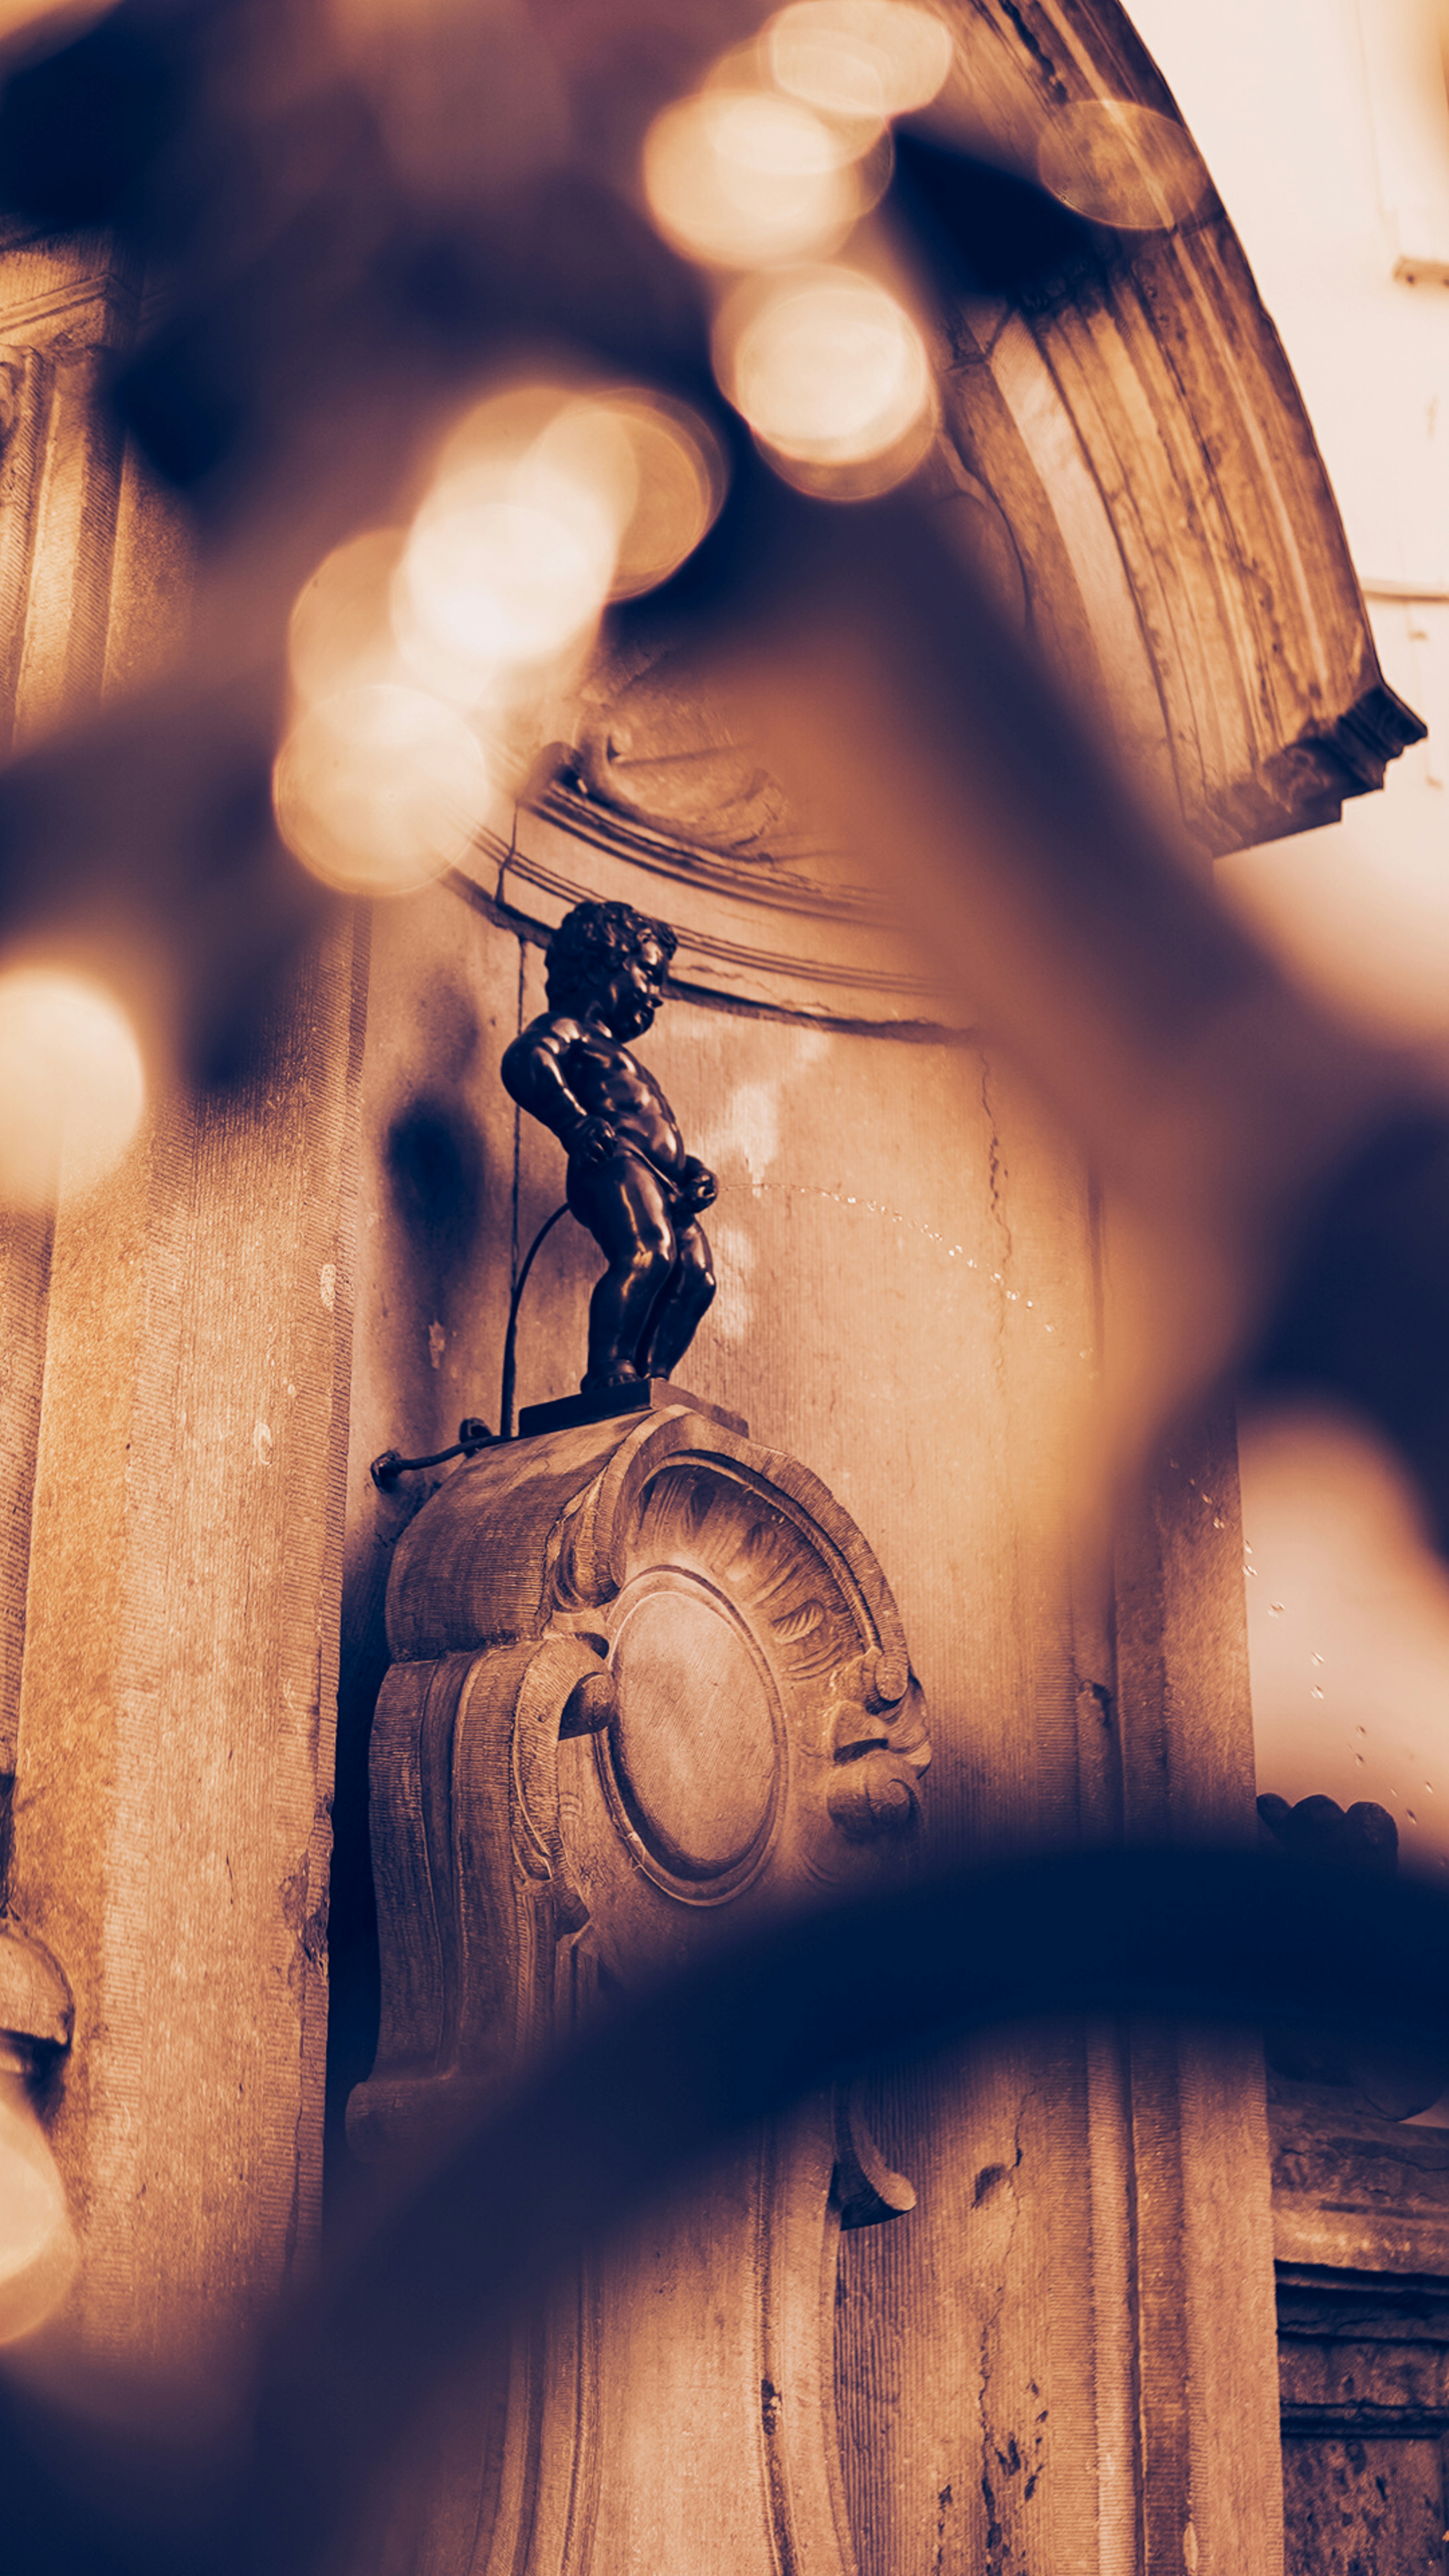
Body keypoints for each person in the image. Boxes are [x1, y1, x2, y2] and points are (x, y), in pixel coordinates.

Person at [501, 900, 717, 1393]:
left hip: (663, 1180)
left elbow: (653, 1126)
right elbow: (526, 1060)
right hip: (611, 1159)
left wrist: (693, 1171)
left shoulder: (616, 1053)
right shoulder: (568, 1030)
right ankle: (608, 1370)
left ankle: (652, 1381)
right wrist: (573, 1124)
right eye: (648, 973)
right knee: (649, 1252)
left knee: (696, 1278)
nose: (656, 994)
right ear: (602, 961)